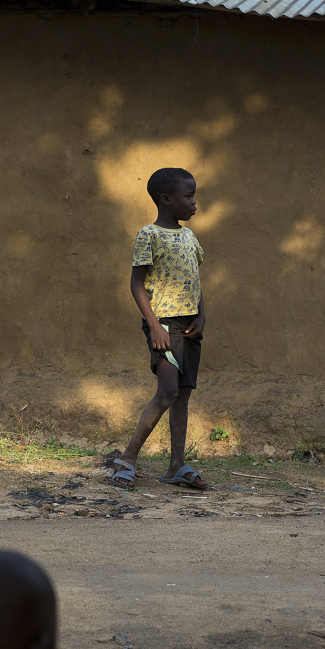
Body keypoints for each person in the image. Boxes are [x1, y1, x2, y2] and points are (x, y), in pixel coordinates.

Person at [105, 167, 208, 490]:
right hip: (163, 323)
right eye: (188, 196)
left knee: (183, 394)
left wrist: (202, 315)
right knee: (167, 391)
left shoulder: (189, 237)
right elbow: (136, 283)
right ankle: (127, 459)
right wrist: (153, 326)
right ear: (166, 199)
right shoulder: (148, 235)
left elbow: (194, 279)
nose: (194, 203)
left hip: (189, 325)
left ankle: (177, 465)